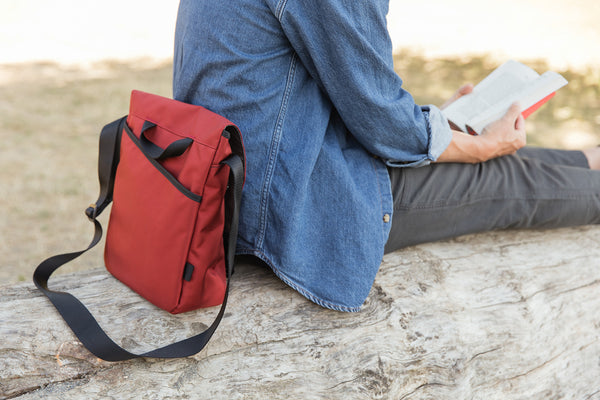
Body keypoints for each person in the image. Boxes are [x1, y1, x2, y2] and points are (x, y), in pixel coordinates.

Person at [173, 0, 600, 312]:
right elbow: (382, 118)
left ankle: (591, 158)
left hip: (236, 184)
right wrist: (476, 146)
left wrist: (433, 126)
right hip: (288, 204)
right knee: (503, 176)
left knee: (499, 157)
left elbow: (346, 97)